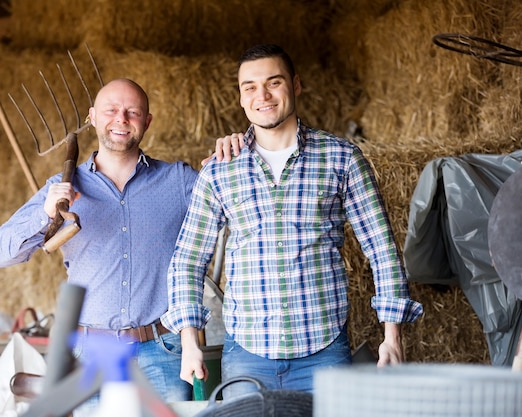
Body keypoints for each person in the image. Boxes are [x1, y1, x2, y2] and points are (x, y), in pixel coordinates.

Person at [160, 44, 424, 398]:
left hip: (324, 352)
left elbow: (381, 249)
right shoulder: (220, 170)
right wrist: (189, 341)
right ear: (240, 98)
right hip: (247, 354)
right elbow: (188, 260)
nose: (262, 96)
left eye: (274, 82)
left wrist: (392, 337)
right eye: (250, 87)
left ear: (296, 85)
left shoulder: (341, 158)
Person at [0, 78, 227, 413]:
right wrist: (43, 214)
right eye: (111, 110)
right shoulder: (62, 188)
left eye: (132, 112)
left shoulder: (179, 182)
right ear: (92, 117)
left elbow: (234, 204)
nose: (121, 119)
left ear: (147, 121)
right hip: (90, 354)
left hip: (161, 351)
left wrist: (232, 151)